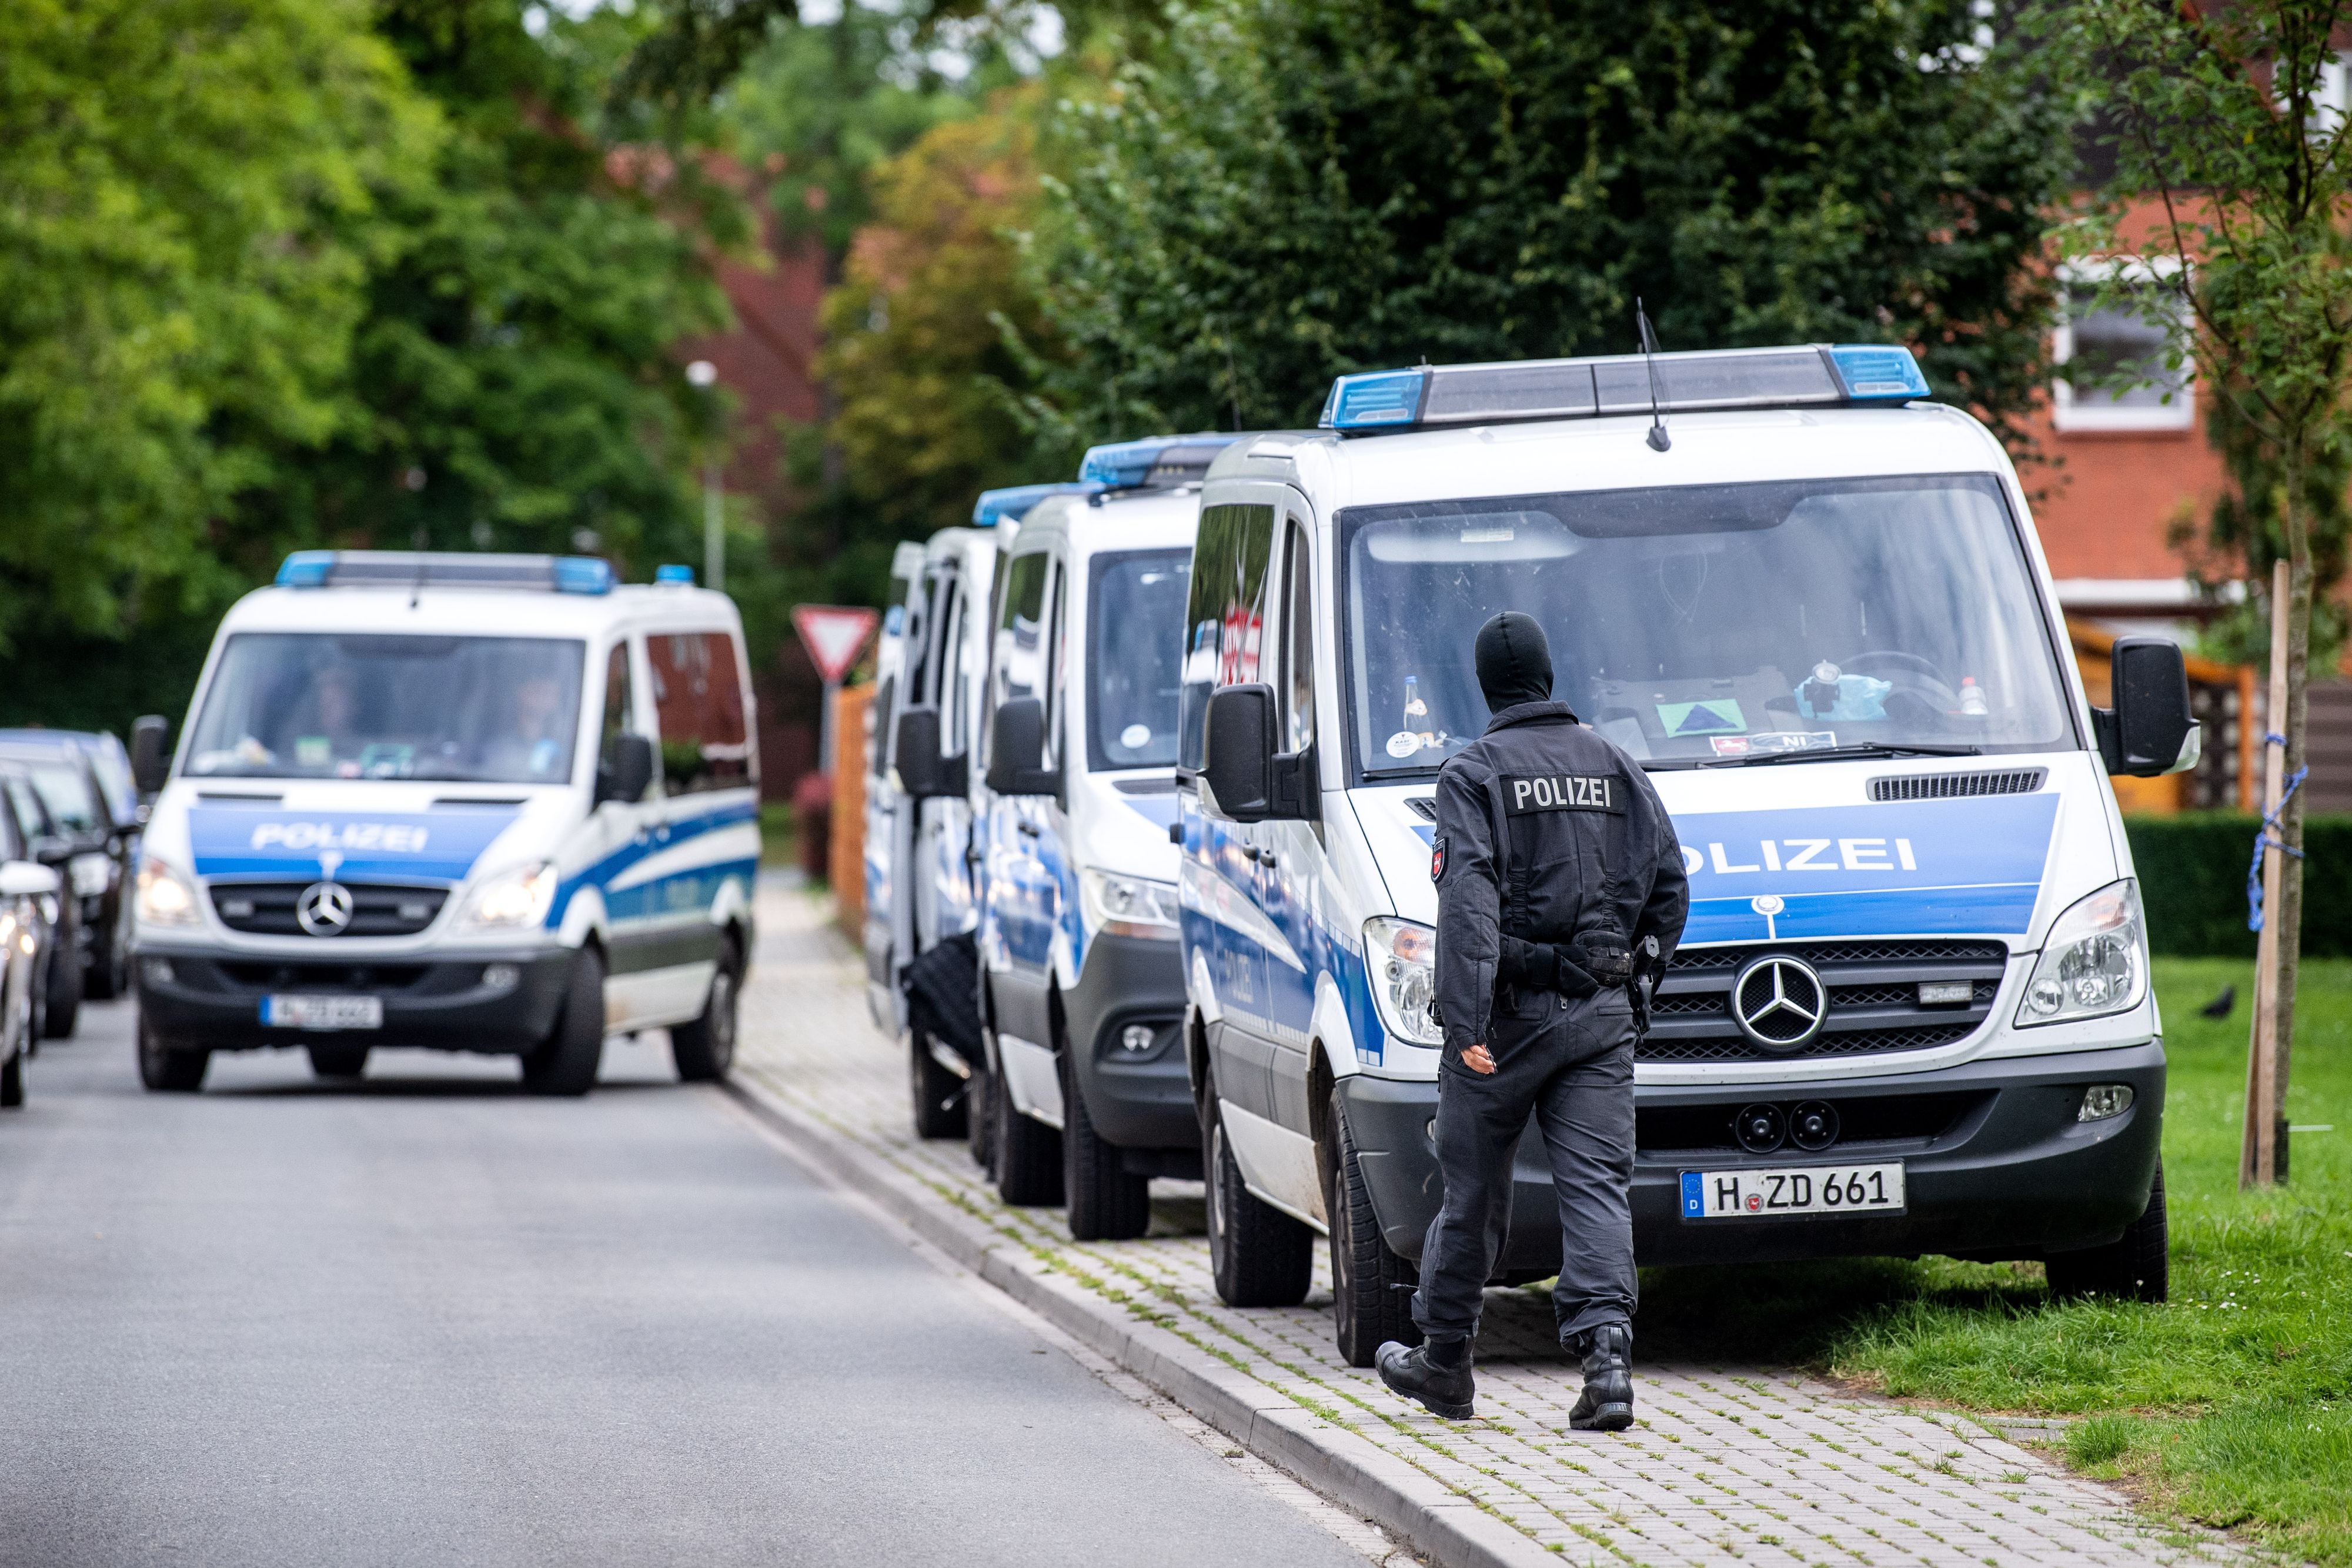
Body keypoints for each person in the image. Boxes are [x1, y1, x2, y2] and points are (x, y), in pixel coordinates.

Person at [1376, 611, 1688, 1431]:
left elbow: (1469, 903)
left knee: (1473, 1192)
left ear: (1485, 686)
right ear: (1549, 677)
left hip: (1506, 1023)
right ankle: (1608, 1365)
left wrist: (1468, 1023)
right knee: (1596, 1188)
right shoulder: (1616, 765)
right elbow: (1670, 888)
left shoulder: (1472, 773)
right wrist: (1637, 989)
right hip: (1600, 1021)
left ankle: (1445, 1365)